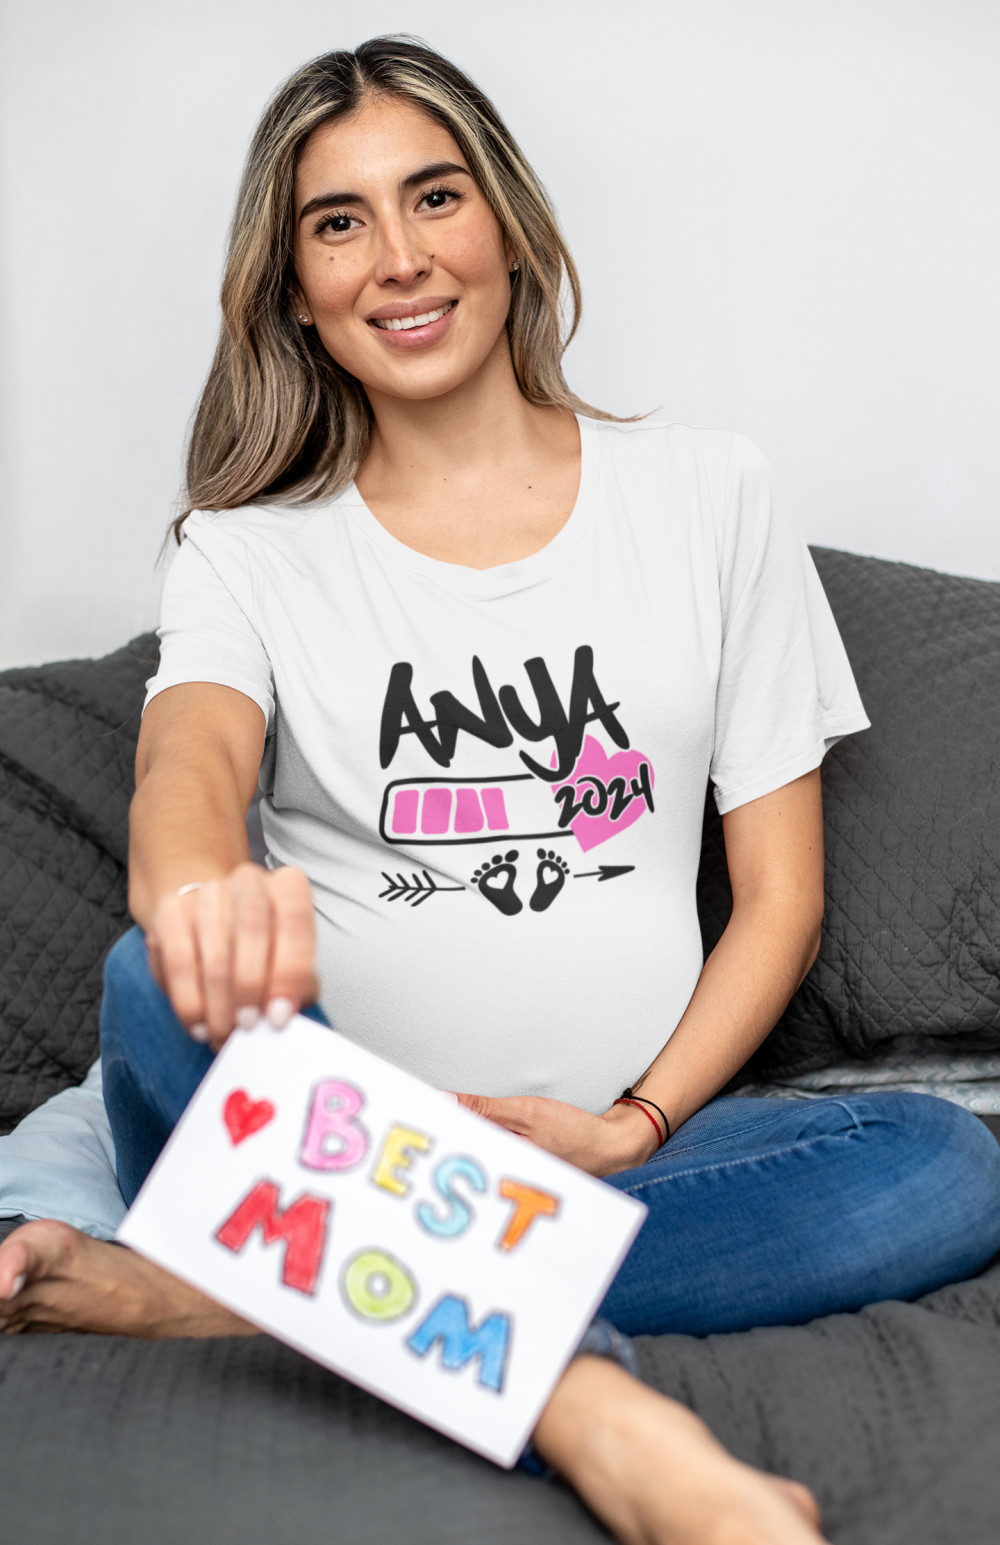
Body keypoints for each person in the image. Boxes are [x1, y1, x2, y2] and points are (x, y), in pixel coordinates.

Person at [1, 35, 998, 1543]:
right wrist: (195, 886)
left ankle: (249, 1291)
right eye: (339, 222)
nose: (398, 259)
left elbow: (780, 901)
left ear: (512, 226)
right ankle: (595, 1412)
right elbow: (186, 763)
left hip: (601, 1149)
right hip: (295, 1133)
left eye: (435, 196)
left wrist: (638, 1126)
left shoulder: (709, 494)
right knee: (152, 980)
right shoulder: (246, 548)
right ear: (296, 289)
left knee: (940, 1166)